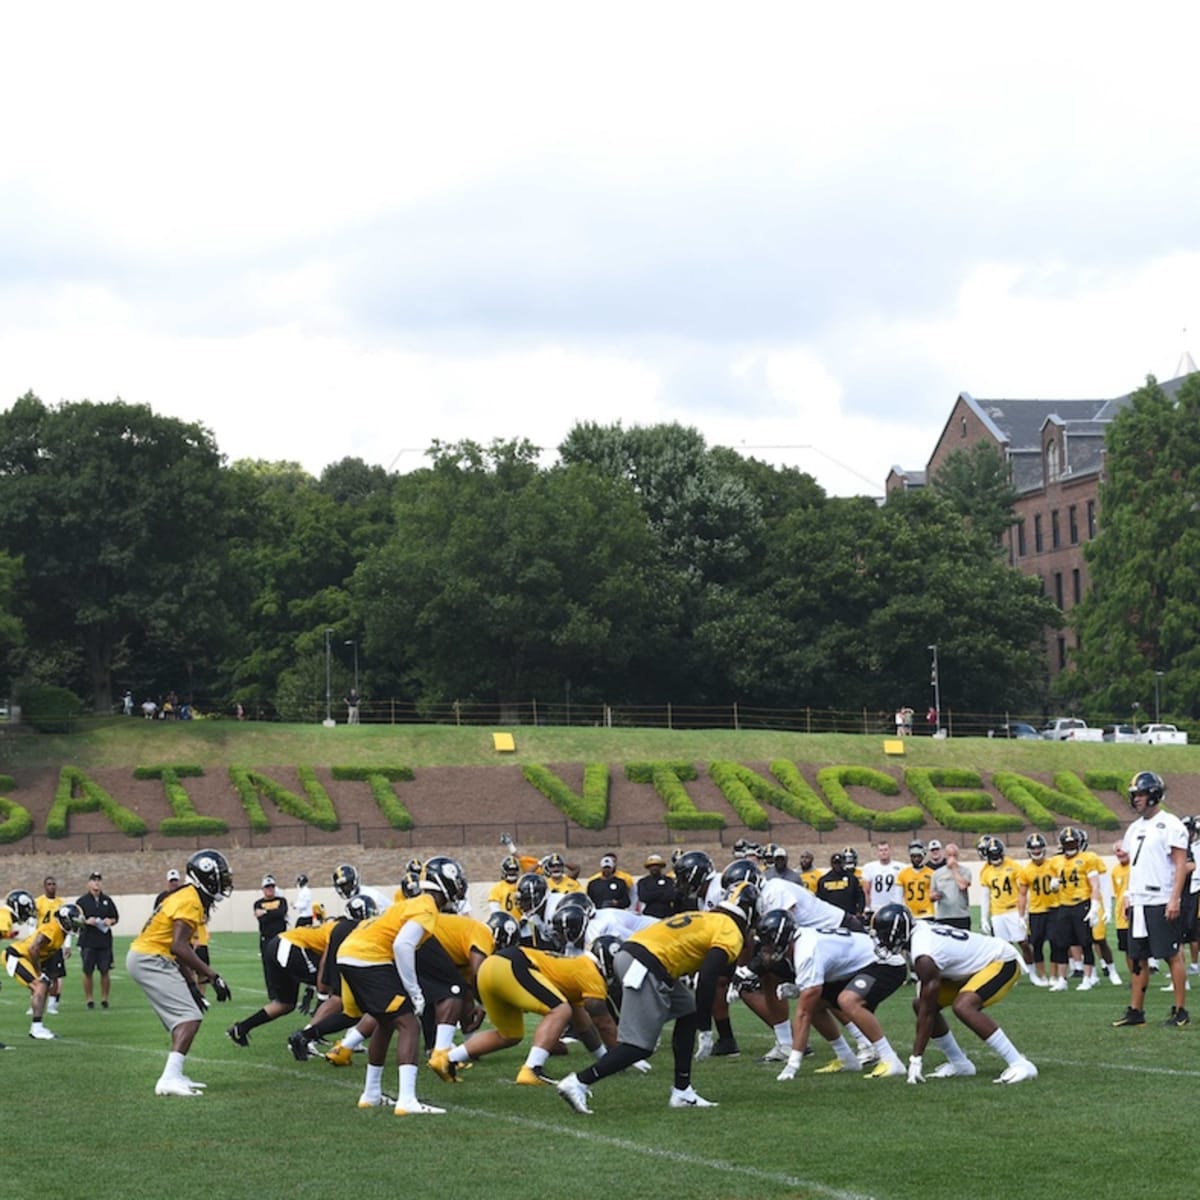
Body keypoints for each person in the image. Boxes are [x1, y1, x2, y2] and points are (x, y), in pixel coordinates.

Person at [556, 880, 758, 1115]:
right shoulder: (730, 930)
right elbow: (707, 977)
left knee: (688, 1011)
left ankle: (683, 1091)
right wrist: (705, 1030)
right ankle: (578, 1082)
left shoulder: (706, 917)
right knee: (639, 1046)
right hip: (647, 965)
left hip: (636, 956)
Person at [335, 856, 469, 1115]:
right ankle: (406, 1100)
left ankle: (371, 1093)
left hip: (352, 953)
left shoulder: (415, 902)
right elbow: (403, 945)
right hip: (368, 957)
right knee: (408, 1023)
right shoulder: (427, 906)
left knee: (385, 1022)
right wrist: (415, 991)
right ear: (444, 882)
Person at [442, 904, 618, 1085]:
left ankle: (447, 1059)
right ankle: (532, 1069)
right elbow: (602, 1022)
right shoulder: (590, 973)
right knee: (560, 1010)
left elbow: (585, 1027)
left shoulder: (575, 972)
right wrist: (621, 1057)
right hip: (511, 963)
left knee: (509, 1034)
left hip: (491, 967)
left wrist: (605, 1060)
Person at [870, 903, 1037, 1084]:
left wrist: (916, 1058)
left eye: (884, 934)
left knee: (963, 1006)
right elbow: (925, 1005)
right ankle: (959, 1063)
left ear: (898, 931)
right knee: (920, 1004)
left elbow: (928, 1011)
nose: (882, 939)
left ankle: (1019, 1063)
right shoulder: (918, 932)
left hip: (1001, 960)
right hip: (972, 968)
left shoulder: (923, 953)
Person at [126, 849, 234, 1095]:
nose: (225, 881)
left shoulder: (187, 896)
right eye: (221, 876)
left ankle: (174, 1074)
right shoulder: (190, 899)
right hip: (150, 958)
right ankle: (168, 1078)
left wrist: (193, 986)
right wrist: (213, 976)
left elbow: (177, 949)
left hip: (150, 956)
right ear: (207, 877)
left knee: (186, 1016)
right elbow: (179, 946)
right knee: (189, 1018)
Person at [760, 910, 907, 1081]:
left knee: (848, 1001)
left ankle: (891, 1060)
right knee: (815, 1005)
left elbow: (802, 1014)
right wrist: (800, 988)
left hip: (886, 963)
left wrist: (792, 1064)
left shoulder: (806, 951)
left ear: (780, 938)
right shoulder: (803, 942)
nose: (766, 948)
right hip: (861, 965)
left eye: (769, 943)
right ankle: (846, 1058)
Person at [1112, 771, 1190, 1028]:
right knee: (1137, 957)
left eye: (1141, 794)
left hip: (1160, 897)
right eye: (1134, 795)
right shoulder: (1134, 828)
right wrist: (1127, 895)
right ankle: (1136, 1011)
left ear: (1154, 795)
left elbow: (1181, 864)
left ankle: (1180, 1010)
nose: (1136, 799)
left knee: (1171, 954)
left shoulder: (1171, 824)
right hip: (1139, 900)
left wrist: (1174, 898)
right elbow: (1133, 864)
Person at [5, 896, 83, 1039]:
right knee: (40, 984)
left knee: (44, 984)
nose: (77, 925)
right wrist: (38, 971)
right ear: (66, 920)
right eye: (74, 922)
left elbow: (42, 952)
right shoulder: (53, 929)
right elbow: (33, 948)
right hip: (17, 956)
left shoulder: (62, 932)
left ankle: (37, 1026)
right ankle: (36, 1028)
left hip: (25, 958)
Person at [978, 837, 1041, 984]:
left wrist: (1023, 912)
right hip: (997, 913)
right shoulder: (985, 871)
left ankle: (1032, 973)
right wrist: (983, 917)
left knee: (1023, 943)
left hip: (1013, 910)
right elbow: (985, 896)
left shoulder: (1014, 865)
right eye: (992, 855)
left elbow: (1023, 890)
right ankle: (1011, 976)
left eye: (997, 854)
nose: (995, 858)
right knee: (1004, 947)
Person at [1017, 833, 1060, 987]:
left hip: (1054, 908)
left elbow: (1065, 880)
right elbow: (1022, 894)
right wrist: (1021, 915)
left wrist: (1058, 884)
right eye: (1033, 848)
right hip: (1036, 911)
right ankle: (1042, 976)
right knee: (1037, 945)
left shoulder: (1053, 865)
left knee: (1056, 943)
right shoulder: (1026, 870)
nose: (1036, 850)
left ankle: (1054, 975)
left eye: (1038, 847)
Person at [75, 870, 119, 1009]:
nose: (96, 883)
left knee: (105, 970)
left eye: (98, 880)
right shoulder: (82, 901)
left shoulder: (107, 900)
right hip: (88, 940)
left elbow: (115, 917)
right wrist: (87, 921)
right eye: (94, 880)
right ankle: (89, 999)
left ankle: (105, 998)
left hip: (104, 940)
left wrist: (110, 921)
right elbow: (75, 920)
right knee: (87, 971)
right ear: (89, 883)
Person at [34, 876, 69, 1014]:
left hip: (55, 943)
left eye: (54, 884)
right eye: (49, 884)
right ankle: (35, 1002)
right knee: (37, 974)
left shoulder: (61, 903)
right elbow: (33, 922)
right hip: (41, 943)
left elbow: (66, 925)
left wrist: (67, 945)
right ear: (44, 886)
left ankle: (52, 1005)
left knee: (55, 975)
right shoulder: (38, 902)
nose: (52, 887)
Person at [254, 874, 289, 996]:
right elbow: (263, 920)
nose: (270, 889)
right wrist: (271, 914)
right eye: (267, 887)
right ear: (263, 889)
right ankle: (272, 992)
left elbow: (281, 913)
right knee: (268, 966)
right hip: (266, 938)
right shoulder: (258, 903)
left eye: (272, 887)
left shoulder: (281, 900)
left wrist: (265, 912)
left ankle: (284, 989)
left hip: (280, 938)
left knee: (283, 964)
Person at [930, 842, 972, 929]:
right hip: (943, 916)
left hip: (961, 916)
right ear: (945, 856)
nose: (952, 858)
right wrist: (935, 896)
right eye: (949, 855)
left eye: (954, 855)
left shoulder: (965, 871)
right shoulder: (937, 873)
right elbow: (931, 895)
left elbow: (963, 886)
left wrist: (954, 869)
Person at [815, 851, 866, 918]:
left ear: (843, 863)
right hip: (830, 916)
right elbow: (819, 900)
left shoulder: (852, 879)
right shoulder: (823, 880)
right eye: (835, 863)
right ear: (831, 864)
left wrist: (859, 911)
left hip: (849, 916)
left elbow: (860, 897)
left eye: (839, 863)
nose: (837, 866)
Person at [861, 841, 905, 914]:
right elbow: (866, 890)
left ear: (890, 851)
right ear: (877, 852)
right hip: (876, 907)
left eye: (885, 850)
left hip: (895, 906)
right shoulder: (869, 867)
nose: (883, 853)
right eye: (881, 850)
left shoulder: (901, 867)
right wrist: (867, 907)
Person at [897, 841, 935, 920]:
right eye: (913, 856)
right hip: (910, 914)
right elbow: (898, 897)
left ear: (923, 856)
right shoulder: (903, 873)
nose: (916, 859)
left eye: (918, 856)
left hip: (927, 913)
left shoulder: (931, 873)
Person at [635, 853, 677, 918]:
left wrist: (652, 893)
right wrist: (662, 891)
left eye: (657, 865)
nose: (654, 868)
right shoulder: (643, 882)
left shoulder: (669, 880)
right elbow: (643, 897)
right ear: (648, 867)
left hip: (667, 915)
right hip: (649, 915)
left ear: (661, 866)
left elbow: (671, 896)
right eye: (652, 866)